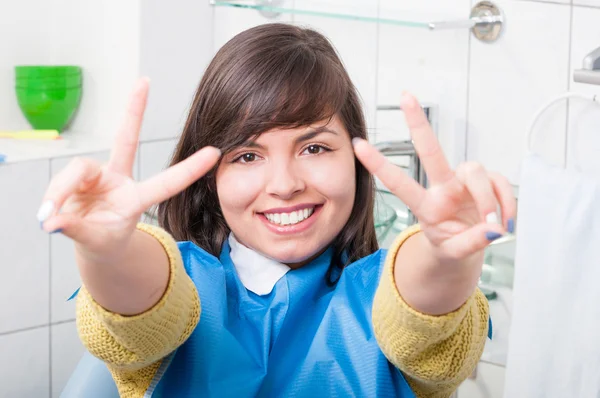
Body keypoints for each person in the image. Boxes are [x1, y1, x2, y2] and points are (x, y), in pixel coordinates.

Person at [38, 23, 515, 397]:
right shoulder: (183, 288)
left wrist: (446, 257)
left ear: (355, 158)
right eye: (247, 156)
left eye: (314, 149)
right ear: (211, 177)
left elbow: (417, 313)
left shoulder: (387, 297)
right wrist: (109, 255)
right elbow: (146, 305)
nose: (285, 185)